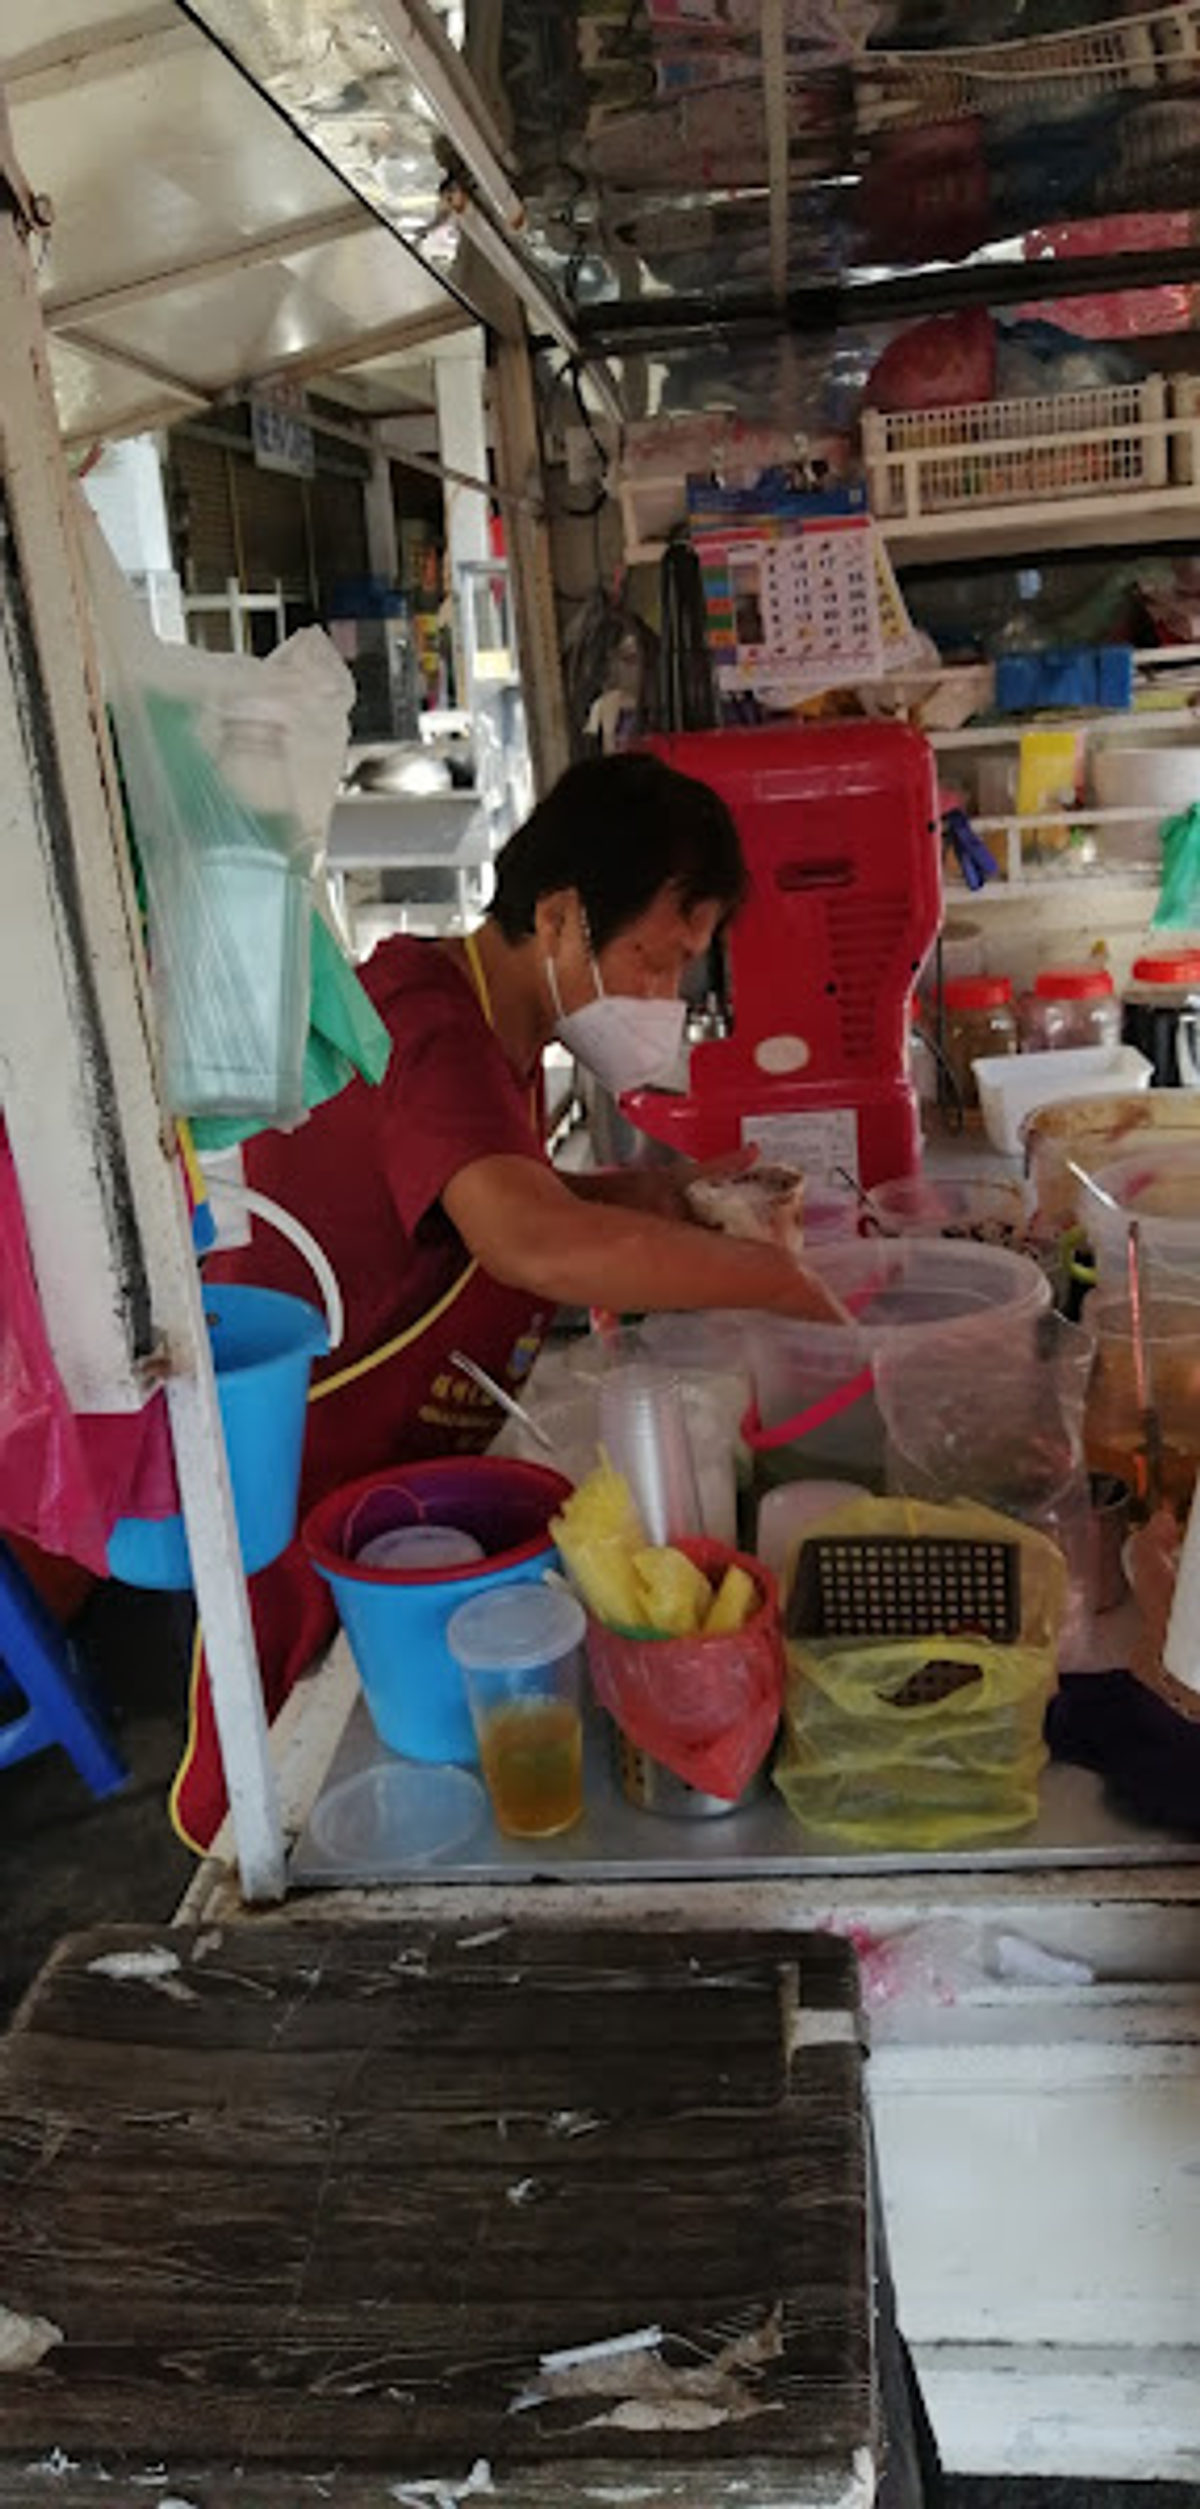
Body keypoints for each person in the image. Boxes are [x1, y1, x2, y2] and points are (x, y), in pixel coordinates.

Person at [171, 751, 840, 1849]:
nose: (664, 1000)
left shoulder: (499, 1033)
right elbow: (526, 1235)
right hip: (303, 1492)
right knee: (283, 1798)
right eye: (654, 960)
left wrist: (661, 1198)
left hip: (401, 1489)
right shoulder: (426, 1020)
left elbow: (497, 1194)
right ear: (561, 915)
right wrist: (782, 1283)